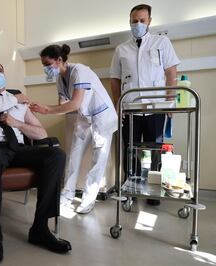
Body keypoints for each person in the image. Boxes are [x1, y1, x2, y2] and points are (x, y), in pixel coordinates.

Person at [0, 61, 72, 264]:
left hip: (17, 148)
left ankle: (40, 228)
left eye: (0, 70)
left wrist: (16, 122)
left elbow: (41, 133)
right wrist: (15, 98)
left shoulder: (20, 104)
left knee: (56, 155)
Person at [30, 44, 117, 214]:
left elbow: (75, 103)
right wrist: (43, 109)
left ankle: (88, 199)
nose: (46, 69)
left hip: (102, 116)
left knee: (98, 160)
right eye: (44, 66)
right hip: (85, 117)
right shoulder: (59, 79)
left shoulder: (79, 71)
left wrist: (46, 109)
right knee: (73, 155)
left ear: (59, 60)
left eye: (48, 65)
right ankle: (67, 194)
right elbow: (64, 106)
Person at [110, 4, 180, 205]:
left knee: (154, 150)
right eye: (134, 20)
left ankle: (153, 191)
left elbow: (171, 72)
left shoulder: (161, 42)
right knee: (129, 149)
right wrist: (118, 104)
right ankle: (129, 189)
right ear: (130, 21)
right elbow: (114, 79)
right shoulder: (121, 49)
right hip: (130, 110)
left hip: (156, 108)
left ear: (149, 21)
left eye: (142, 20)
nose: (138, 23)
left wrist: (170, 102)